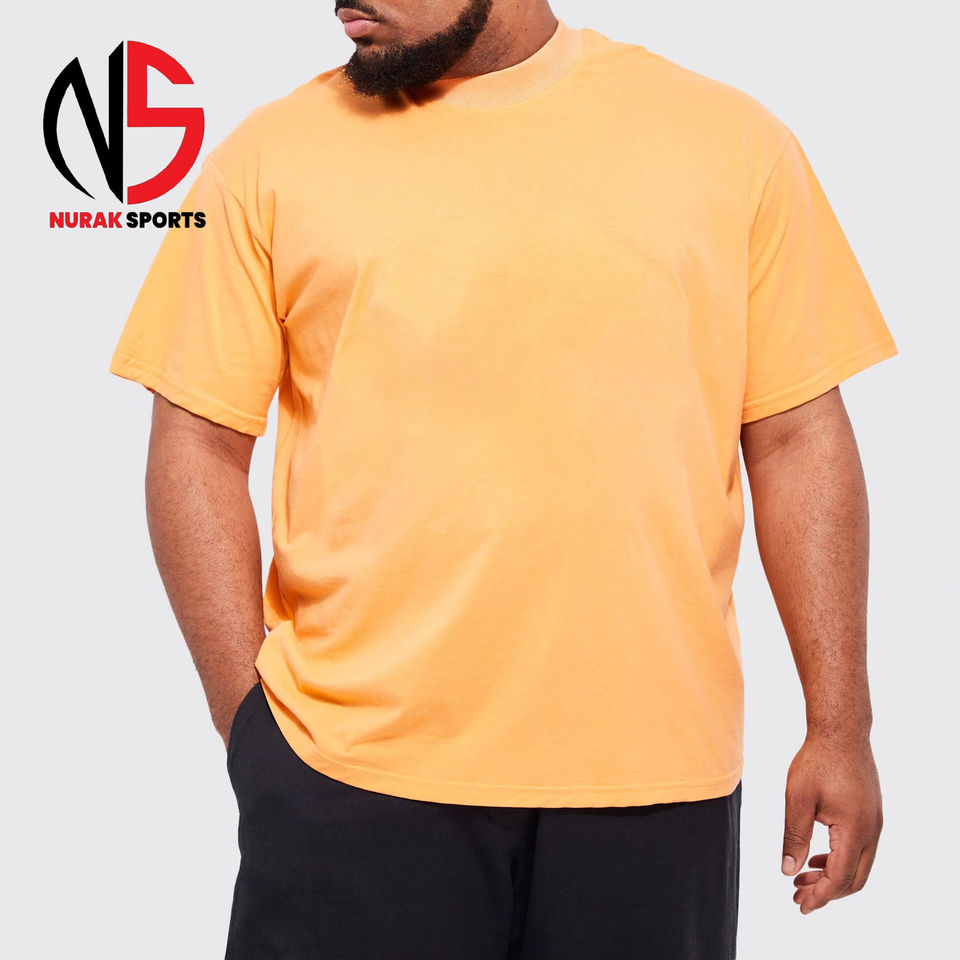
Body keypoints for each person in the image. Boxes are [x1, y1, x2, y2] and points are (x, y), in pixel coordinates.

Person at [108, 1, 896, 957]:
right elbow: (195, 440)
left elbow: (798, 436)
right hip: (347, 776)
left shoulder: (730, 142)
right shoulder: (267, 157)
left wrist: (839, 724)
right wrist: (250, 731)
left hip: (656, 779)